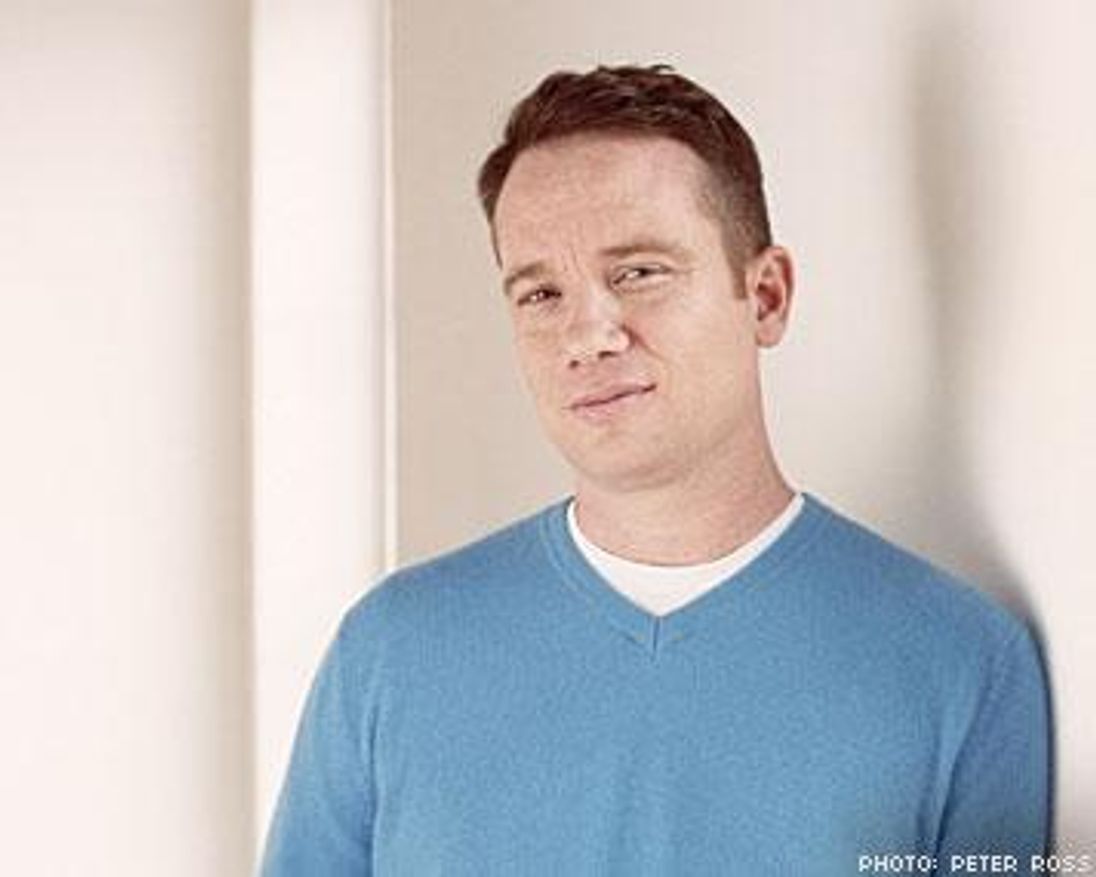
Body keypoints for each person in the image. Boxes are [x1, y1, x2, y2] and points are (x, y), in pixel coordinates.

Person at [260, 64, 1050, 875]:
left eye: (638, 273)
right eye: (541, 294)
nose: (588, 335)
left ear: (767, 296)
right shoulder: (389, 653)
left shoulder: (961, 663)